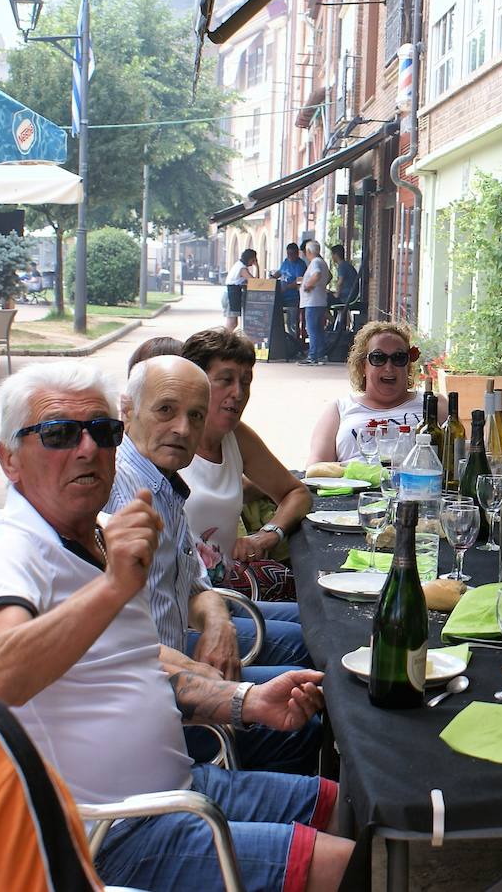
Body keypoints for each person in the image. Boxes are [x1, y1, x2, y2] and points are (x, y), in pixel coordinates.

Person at [0, 361, 354, 892]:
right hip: (103, 833)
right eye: (58, 434)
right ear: (9, 460)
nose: (87, 449)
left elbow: (143, 657)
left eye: (101, 432)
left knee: (352, 807)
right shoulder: (5, 549)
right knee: (343, 867)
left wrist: (244, 700)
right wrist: (114, 585)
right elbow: (4, 673)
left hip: (180, 784)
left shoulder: (97, 535)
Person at [111, 355, 319, 773]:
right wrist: (220, 688)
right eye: (165, 410)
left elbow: (193, 581)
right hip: (151, 713)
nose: (183, 429)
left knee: (316, 639)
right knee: (307, 717)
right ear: (127, 411)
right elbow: (115, 651)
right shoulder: (118, 495)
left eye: (195, 416)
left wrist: (219, 624)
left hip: (175, 668)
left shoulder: (164, 484)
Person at [179, 329, 312, 598]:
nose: (238, 393)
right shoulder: (171, 440)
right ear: (195, 382)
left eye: (246, 382)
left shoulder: (236, 437)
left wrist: (269, 533)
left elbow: (296, 493)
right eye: (225, 380)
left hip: (231, 589)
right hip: (191, 601)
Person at [307, 321, 435, 466]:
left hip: (416, 485)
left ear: (408, 365)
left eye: (398, 358)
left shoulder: (432, 404)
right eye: (378, 358)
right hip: (352, 485)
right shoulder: (339, 409)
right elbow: (315, 468)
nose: (389, 367)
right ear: (363, 366)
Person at [299, 240, 333, 366]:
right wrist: (321, 285)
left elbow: (317, 275)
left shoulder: (315, 262)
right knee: (318, 329)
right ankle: (321, 354)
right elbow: (329, 276)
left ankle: (312, 356)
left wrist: (308, 285)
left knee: (312, 329)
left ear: (308, 251)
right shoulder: (322, 262)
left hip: (312, 301)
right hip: (320, 300)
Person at [275, 242, 306, 342]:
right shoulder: (285, 262)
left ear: (297, 253)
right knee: (285, 322)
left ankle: (295, 343)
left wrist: (287, 287)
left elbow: (299, 280)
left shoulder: (300, 265)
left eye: (292, 254)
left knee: (293, 322)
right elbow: (280, 272)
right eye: (288, 254)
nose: (290, 256)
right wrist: (272, 277)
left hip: (293, 298)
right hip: (282, 297)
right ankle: (286, 341)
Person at [222, 248, 255, 333]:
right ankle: (223, 340)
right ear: (251, 259)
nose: (253, 262)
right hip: (230, 295)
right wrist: (257, 266)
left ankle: (225, 339)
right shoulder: (242, 268)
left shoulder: (239, 265)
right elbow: (254, 281)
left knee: (233, 323)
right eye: (253, 260)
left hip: (231, 294)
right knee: (231, 323)